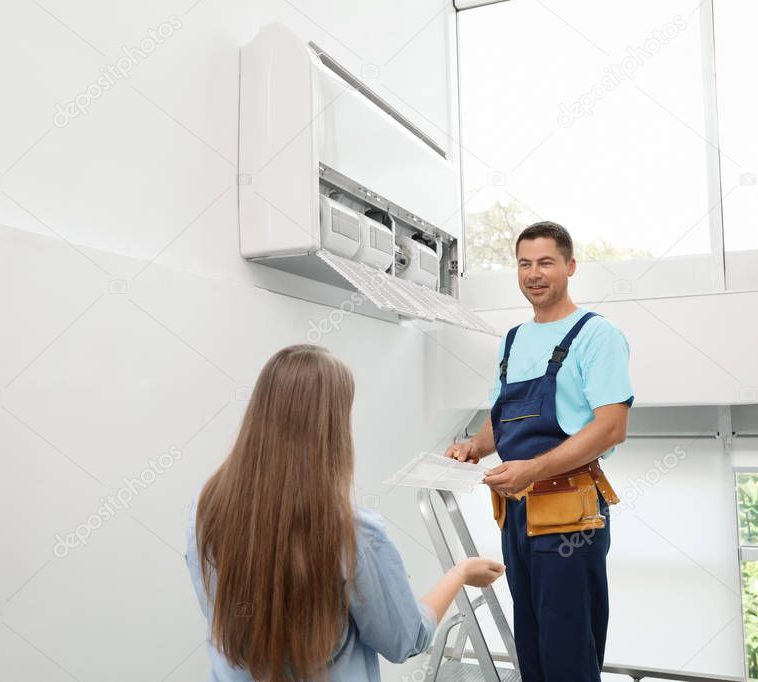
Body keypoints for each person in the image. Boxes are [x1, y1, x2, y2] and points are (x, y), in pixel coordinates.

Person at [186, 344, 505, 681]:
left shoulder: (205, 510)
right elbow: (406, 641)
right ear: (332, 428)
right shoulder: (352, 532)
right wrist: (461, 573)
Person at [446, 221, 634, 682]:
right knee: (530, 645)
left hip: (571, 515)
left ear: (570, 267)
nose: (534, 273)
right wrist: (475, 445)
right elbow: (504, 415)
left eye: (546, 262)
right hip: (517, 513)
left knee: (567, 648)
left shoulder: (597, 335)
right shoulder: (513, 339)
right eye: (524, 263)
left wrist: (534, 468)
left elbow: (611, 428)